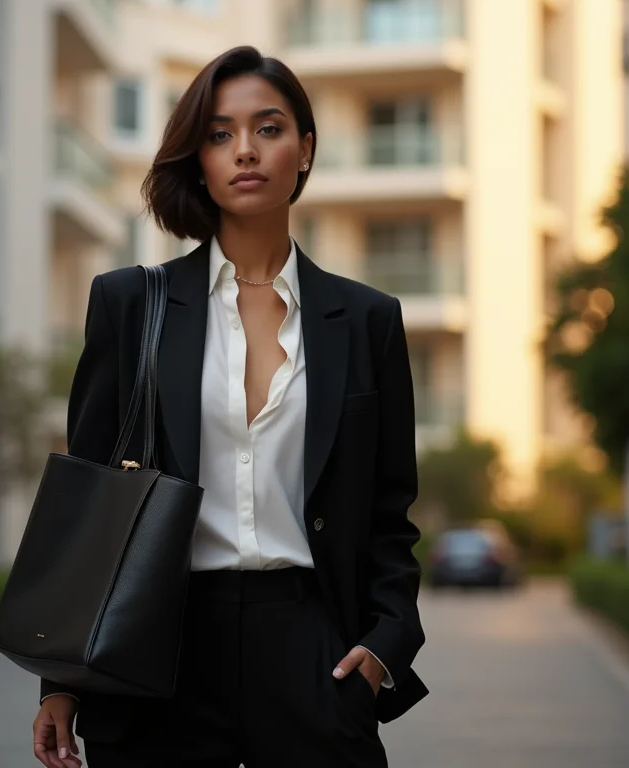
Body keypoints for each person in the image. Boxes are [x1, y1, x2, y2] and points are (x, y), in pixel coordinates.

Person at [32, 45, 427, 768]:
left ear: (305, 150)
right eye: (219, 134)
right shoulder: (130, 305)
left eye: (269, 128)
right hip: (160, 648)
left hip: (314, 646)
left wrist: (384, 644)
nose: (245, 150)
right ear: (200, 157)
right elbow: (90, 504)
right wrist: (61, 680)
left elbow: (389, 513)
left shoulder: (367, 319)